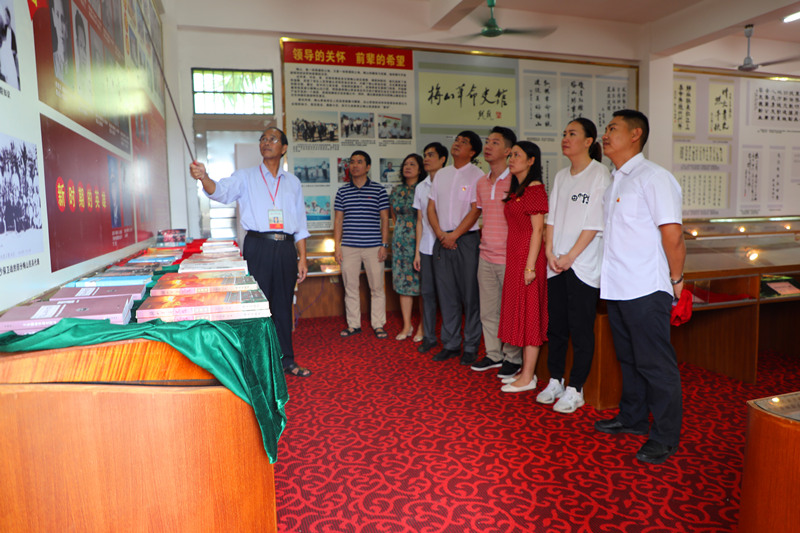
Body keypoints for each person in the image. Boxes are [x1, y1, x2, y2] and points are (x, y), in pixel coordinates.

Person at [593, 109, 685, 465]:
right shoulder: (615, 180)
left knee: (655, 365)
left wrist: (676, 280)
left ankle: (664, 437)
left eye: (612, 128)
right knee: (628, 359)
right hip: (617, 286)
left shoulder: (654, 177)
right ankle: (632, 418)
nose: (605, 134)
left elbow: (672, 234)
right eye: (606, 129)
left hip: (646, 287)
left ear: (635, 134)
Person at [189, 128, 312, 377]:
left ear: (284, 148)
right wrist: (204, 177)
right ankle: (259, 364)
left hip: (286, 248)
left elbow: (300, 223)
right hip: (258, 246)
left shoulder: (293, 183)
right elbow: (219, 191)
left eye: (272, 139)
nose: (266, 142)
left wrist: (303, 258)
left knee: (283, 306)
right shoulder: (245, 177)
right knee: (258, 306)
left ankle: (286, 360)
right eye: (263, 139)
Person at [538, 118, 611, 413]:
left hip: (582, 266)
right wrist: (549, 251)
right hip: (556, 264)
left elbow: (594, 223)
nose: (565, 138)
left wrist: (570, 256)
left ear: (588, 141)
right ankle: (555, 379)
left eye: (572, 134)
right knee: (556, 327)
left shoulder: (599, 174)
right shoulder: (561, 176)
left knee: (581, 330)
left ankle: (576, 388)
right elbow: (552, 218)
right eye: (564, 133)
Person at [470, 127, 523, 379]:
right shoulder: (481, 182)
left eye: (495, 142)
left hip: (510, 257)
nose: (488, 146)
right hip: (486, 255)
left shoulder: (516, 180)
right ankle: (493, 354)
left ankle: (513, 357)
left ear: (508, 150)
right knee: (488, 311)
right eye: (487, 141)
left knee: (510, 311)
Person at [427, 131, 484, 365]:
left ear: (473, 152)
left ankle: (470, 346)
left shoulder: (478, 175)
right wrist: (441, 234)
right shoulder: (442, 174)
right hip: (442, 239)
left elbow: (476, 210)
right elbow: (430, 208)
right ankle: (450, 344)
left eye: (464, 142)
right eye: (457, 140)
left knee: (470, 296)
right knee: (446, 294)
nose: (457, 144)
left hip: (466, 240)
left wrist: (454, 235)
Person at [498, 141, 548, 393]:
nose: (512, 159)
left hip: (529, 258)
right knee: (520, 312)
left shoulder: (535, 187)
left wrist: (530, 267)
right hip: (515, 257)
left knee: (530, 316)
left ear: (531, 160)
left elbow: (538, 230)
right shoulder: (518, 188)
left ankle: (528, 376)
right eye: (511, 155)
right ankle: (525, 371)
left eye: (517, 155)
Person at [334, 150, 390, 339]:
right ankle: (354, 325)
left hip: (374, 246)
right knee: (350, 287)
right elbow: (338, 220)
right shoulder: (342, 191)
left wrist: (384, 244)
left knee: (377, 288)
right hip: (349, 247)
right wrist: (337, 247)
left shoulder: (378, 190)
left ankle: (378, 324)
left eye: (359, 162)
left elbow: (385, 219)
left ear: (368, 167)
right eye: (352, 162)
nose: (355, 165)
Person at [413, 142, 447, 353]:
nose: (426, 158)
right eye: (425, 155)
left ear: (442, 159)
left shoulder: (450, 183)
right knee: (427, 293)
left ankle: (449, 339)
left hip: (446, 246)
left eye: (431, 155)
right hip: (426, 247)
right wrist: (417, 252)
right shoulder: (421, 187)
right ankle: (429, 336)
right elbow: (420, 221)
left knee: (447, 294)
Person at [390, 153, 425, 341]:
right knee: (403, 284)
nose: (407, 167)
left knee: (421, 286)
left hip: (419, 241)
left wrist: (417, 248)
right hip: (399, 242)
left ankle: (422, 327)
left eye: (412, 164)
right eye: (405, 164)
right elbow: (394, 217)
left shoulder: (424, 188)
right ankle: (406, 325)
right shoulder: (396, 190)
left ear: (420, 169)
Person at [50, 0, 73, 85]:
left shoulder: (74, 67)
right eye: (57, 15)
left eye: (63, 19)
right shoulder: (51, 63)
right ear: (53, 16)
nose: (60, 27)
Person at [0, 6, 19, 90]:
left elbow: (15, 51)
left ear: (9, 17)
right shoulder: (2, 30)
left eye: (6, 15)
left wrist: (10, 54)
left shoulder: (12, 33)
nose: (6, 17)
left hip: (10, 63)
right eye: (4, 15)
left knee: (12, 82)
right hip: (3, 62)